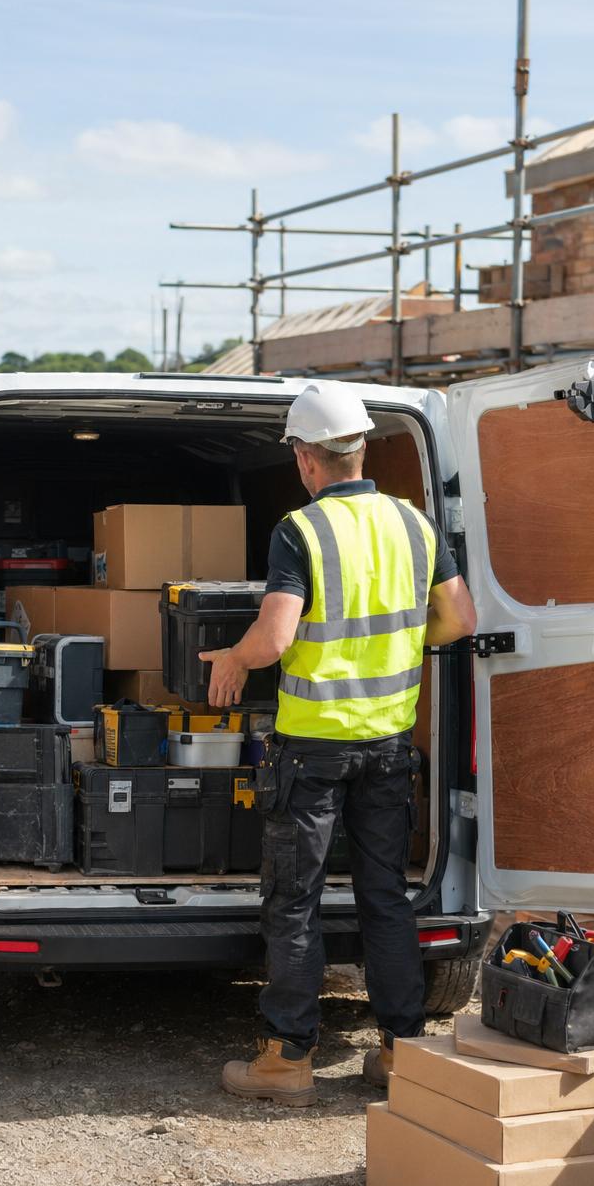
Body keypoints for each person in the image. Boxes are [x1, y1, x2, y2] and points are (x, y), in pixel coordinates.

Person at [201, 380, 477, 1107]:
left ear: (305, 459)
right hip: (388, 745)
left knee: (295, 900)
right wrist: (395, 652)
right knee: (386, 895)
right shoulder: (415, 524)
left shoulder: (301, 530)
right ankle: (401, 1052)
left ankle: (289, 1059)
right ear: (360, 448)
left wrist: (233, 659)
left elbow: (276, 637)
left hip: (314, 750)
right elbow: (459, 619)